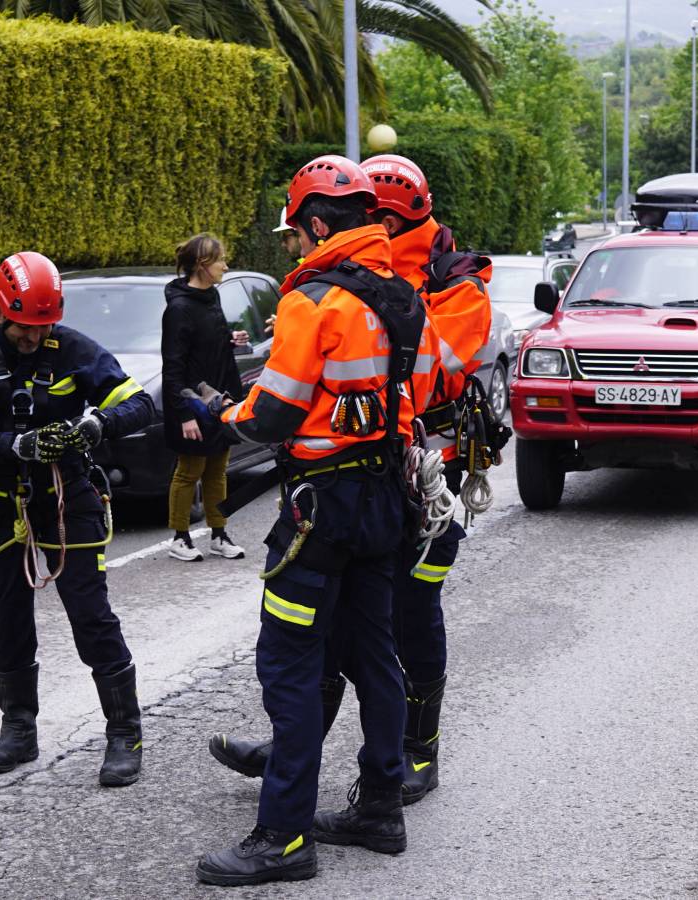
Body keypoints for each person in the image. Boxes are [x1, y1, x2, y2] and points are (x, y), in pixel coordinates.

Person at [204, 154, 490, 806]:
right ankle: (302, 753)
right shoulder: (364, 284)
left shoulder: (454, 285)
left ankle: (418, 751)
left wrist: (332, 335)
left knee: (408, 619)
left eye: (378, 218)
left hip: (425, 478)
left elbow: (424, 377)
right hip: (375, 476)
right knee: (340, 627)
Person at [0, 251, 154, 786]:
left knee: (90, 615)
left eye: (41, 327)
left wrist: (98, 426)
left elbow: (140, 403)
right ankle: (18, 729)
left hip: (66, 498)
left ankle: (125, 733)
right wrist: (17, 445)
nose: (32, 337)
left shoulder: (73, 349)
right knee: (7, 619)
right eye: (23, 328)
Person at [161, 233, 249, 562]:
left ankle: (219, 533)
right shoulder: (179, 309)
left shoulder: (211, 297)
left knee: (218, 469)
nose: (225, 265)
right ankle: (180, 537)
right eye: (220, 260)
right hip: (192, 401)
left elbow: (206, 343)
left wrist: (229, 339)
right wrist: (184, 414)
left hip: (219, 397)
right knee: (189, 470)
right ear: (202, 264)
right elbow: (173, 366)